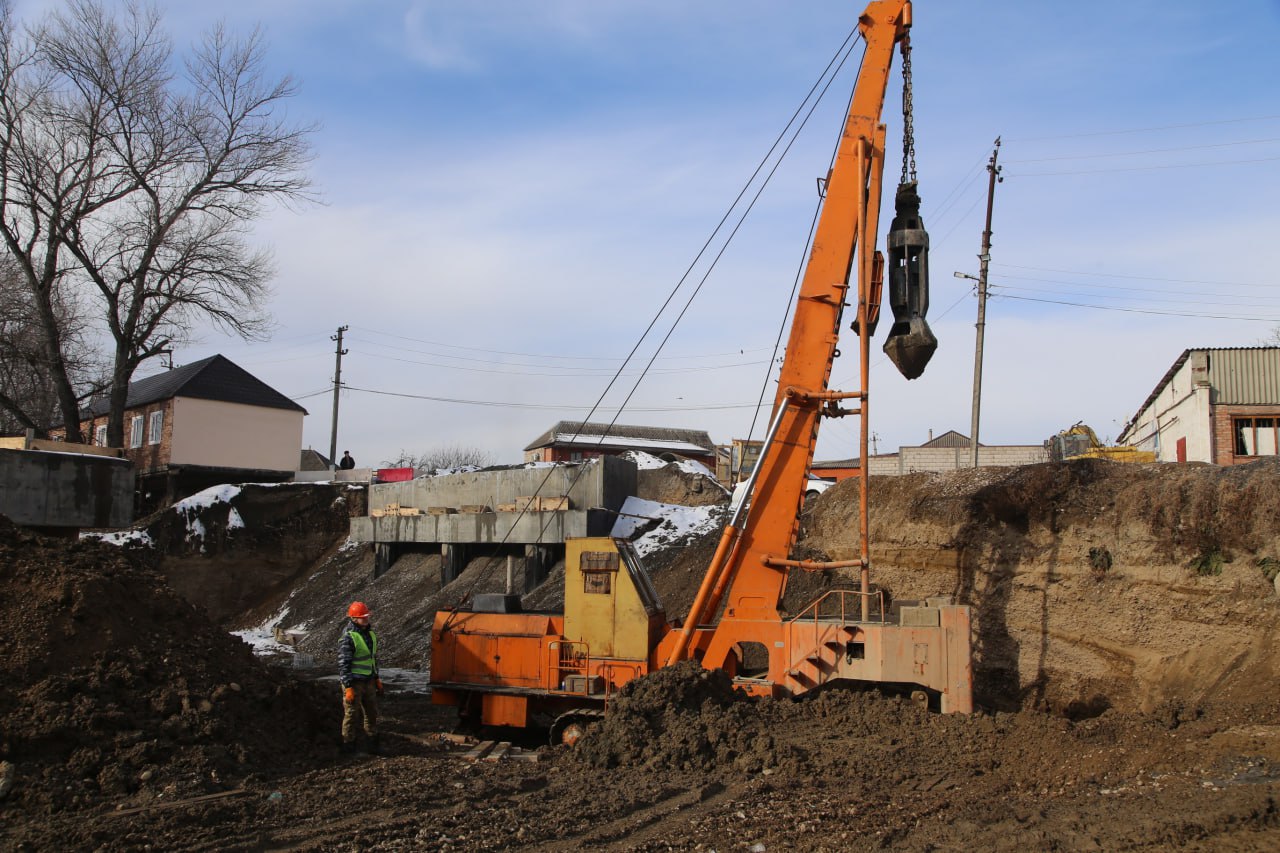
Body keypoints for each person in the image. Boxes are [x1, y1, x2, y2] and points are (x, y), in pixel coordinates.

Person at [338, 601, 383, 754]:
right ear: (354, 619)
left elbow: (372, 659)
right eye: (362, 617)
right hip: (355, 682)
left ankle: (373, 746)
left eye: (366, 616)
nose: (366, 619)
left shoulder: (370, 635)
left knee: (371, 713)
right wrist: (348, 686)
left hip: (368, 681)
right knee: (351, 715)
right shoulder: (349, 637)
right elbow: (344, 664)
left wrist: (376, 677)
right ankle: (348, 747)